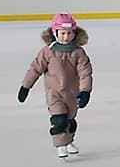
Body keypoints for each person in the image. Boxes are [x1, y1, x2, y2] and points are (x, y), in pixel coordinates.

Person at [19, 13, 94, 159]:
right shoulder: (48, 52)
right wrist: (25, 87)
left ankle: (68, 142)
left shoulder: (78, 53)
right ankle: (60, 145)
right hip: (54, 94)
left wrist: (85, 91)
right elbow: (35, 69)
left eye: (69, 33)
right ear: (55, 33)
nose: (66, 37)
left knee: (70, 121)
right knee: (59, 120)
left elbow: (85, 73)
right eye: (62, 33)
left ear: (74, 33)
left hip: (72, 94)